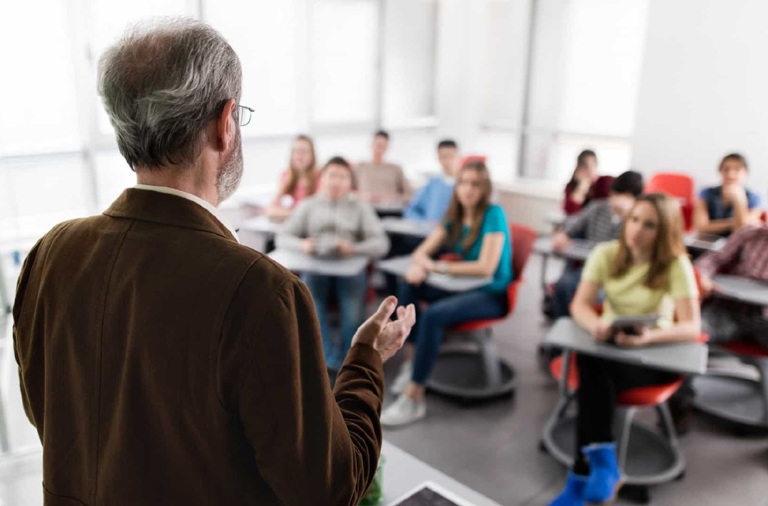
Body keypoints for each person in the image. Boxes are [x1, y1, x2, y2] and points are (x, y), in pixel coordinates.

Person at [13, 19, 416, 506]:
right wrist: (367, 359)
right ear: (226, 124)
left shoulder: (49, 255)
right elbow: (329, 490)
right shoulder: (260, 291)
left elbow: (50, 416)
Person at [549, 193, 701, 506]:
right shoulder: (606, 253)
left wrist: (646, 338)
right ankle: (602, 466)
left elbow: (691, 327)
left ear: (663, 232)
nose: (636, 230)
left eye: (649, 225)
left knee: (592, 374)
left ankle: (580, 478)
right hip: (610, 344)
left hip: (653, 354)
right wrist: (596, 325)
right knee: (594, 361)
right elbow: (580, 305)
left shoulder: (676, 263)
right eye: (633, 220)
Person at [380, 160, 513, 427]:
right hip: (459, 287)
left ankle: (414, 397)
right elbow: (421, 252)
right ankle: (411, 362)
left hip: (491, 294)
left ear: (484, 188)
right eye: (463, 183)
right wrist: (420, 266)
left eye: (475, 184)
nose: (468, 190)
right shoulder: (455, 215)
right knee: (409, 283)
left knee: (433, 316)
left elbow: (486, 267)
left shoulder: (493, 214)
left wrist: (438, 266)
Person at [276, 156, 390, 369]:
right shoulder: (308, 205)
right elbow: (282, 237)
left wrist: (354, 248)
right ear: (322, 178)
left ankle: (349, 361)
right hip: (315, 265)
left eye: (343, 177)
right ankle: (327, 361)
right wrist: (303, 245)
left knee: (352, 310)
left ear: (350, 182)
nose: (337, 181)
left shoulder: (360, 207)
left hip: (350, 266)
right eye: (332, 176)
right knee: (309, 305)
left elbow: (381, 243)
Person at [550, 171, 644, 318]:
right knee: (564, 285)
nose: (616, 200)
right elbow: (570, 230)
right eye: (615, 194)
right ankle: (563, 325)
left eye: (624, 196)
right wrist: (562, 236)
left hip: (617, 274)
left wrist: (628, 216)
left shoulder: (638, 219)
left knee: (602, 297)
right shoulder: (597, 207)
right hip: (588, 268)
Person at [695, 225, 768, 349]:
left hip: (764, 318)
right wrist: (702, 277)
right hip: (730, 309)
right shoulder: (750, 234)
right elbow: (714, 258)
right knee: (692, 334)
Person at [693, 153, 762, 236]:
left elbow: (744, 229)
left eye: (737, 169)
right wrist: (735, 222)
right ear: (720, 171)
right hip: (710, 241)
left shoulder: (755, 198)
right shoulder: (706, 192)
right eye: (726, 169)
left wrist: (739, 200)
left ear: (745, 172)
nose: (730, 174)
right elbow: (701, 227)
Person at [403, 139, 460, 222]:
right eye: (443, 157)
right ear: (438, 158)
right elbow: (411, 211)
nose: (447, 161)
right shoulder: (432, 185)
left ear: (458, 156)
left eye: (450, 156)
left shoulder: (465, 184)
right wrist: (424, 223)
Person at [266, 134, 319, 219]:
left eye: (303, 151)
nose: (299, 156)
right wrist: (295, 213)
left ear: (312, 155)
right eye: (295, 151)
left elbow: (317, 212)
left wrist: (288, 212)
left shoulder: (321, 177)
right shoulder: (286, 176)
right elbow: (271, 210)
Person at [355, 130, 411, 204]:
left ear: (387, 147)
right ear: (371, 144)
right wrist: (363, 196)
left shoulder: (395, 169)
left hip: (390, 210)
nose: (379, 150)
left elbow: (409, 195)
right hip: (365, 209)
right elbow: (347, 192)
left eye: (383, 146)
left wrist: (389, 198)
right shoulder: (360, 167)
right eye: (378, 145)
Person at [563, 150, 598, 215]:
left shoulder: (601, 184)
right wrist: (580, 189)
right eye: (586, 166)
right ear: (578, 168)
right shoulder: (571, 185)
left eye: (592, 165)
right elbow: (570, 212)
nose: (589, 170)